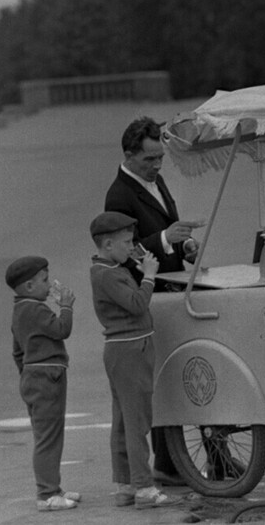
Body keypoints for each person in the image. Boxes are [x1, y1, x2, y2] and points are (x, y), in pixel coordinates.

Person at [104, 116, 201, 485]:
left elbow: (167, 231)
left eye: (160, 157)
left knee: (170, 376)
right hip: (149, 292)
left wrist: (184, 244)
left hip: (170, 283)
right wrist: (164, 239)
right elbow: (120, 253)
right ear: (129, 155)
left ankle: (170, 462)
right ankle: (166, 465)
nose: (157, 165)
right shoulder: (119, 194)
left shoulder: (154, 180)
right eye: (149, 159)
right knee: (162, 378)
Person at [88, 211, 180, 510]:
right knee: (138, 421)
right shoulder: (108, 273)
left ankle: (125, 485)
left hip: (121, 349)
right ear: (108, 243)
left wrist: (136, 266)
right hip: (130, 348)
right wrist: (150, 275)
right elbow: (137, 304)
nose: (132, 247)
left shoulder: (108, 268)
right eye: (127, 242)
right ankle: (143, 487)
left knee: (123, 421)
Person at [6, 255, 80, 512]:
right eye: (44, 280)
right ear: (29, 286)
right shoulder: (36, 309)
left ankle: (53, 487)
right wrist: (67, 306)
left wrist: (27, 374)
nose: (49, 286)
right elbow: (62, 330)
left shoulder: (19, 310)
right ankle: (47, 493)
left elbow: (17, 351)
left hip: (33, 375)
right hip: (47, 376)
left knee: (46, 435)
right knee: (49, 437)